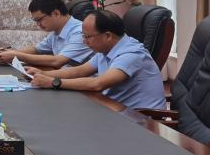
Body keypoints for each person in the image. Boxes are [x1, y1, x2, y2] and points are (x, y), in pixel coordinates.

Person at [30, 9, 167, 110]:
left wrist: (53, 82)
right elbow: (79, 71)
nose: (84, 41)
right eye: (83, 36)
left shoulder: (131, 54)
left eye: (87, 37)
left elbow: (98, 84)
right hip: (114, 108)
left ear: (107, 36)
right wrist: (42, 74)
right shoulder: (107, 49)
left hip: (141, 120)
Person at [0, 0, 92, 70]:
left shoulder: (80, 32)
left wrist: (17, 55)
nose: (38, 24)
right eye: (35, 21)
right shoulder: (56, 31)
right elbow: (37, 49)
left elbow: (57, 61)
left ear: (56, 13)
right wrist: (10, 53)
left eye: (39, 19)